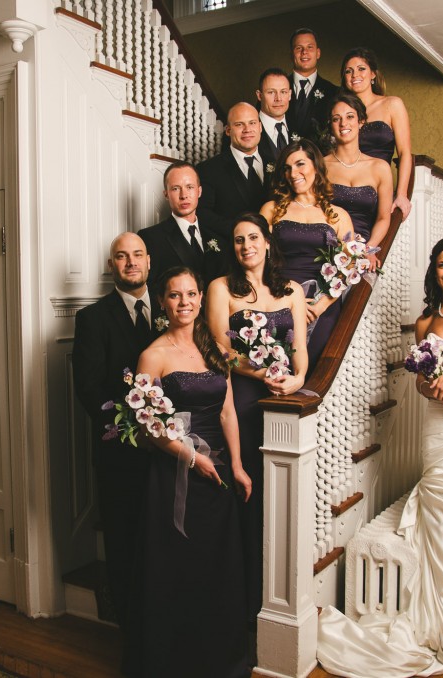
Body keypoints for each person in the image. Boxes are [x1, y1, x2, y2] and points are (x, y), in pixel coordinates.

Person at [317, 236, 443, 676]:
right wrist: (431, 385)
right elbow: (423, 383)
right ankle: (438, 619)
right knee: (442, 519)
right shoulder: (426, 323)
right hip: (437, 426)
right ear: (436, 270)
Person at [131, 266, 252, 678]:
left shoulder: (215, 349)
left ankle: (218, 659)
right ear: (163, 302)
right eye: (174, 295)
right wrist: (190, 456)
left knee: (216, 568)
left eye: (191, 294)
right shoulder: (153, 355)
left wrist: (235, 465)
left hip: (217, 473)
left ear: (201, 298)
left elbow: (227, 410)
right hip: (175, 477)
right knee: (180, 569)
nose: (184, 302)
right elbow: (149, 427)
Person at [206, 212, 308, 629]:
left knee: (281, 498)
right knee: (247, 491)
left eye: (252, 238)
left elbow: (299, 347)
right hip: (243, 399)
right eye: (237, 240)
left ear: (267, 243)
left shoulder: (292, 290)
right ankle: (244, 602)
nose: (245, 246)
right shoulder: (220, 289)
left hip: (284, 397)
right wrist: (259, 370)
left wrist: (298, 377)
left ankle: (277, 595)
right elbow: (218, 349)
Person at [71, 231, 160, 676]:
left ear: (149, 260)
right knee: (124, 547)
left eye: (138, 255)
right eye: (121, 257)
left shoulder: (171, 308)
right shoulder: (92, 319)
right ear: (112, 266)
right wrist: (135, 433)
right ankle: (131, 641)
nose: (131, 263)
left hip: (167, 456)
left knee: (160, 543)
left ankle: (161, 628)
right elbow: (89, 391)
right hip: (120, 456)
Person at [260, 139, 353, 372]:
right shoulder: (271, 210)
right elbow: (258, 263)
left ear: (316, 166)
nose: (294, 173)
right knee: (277, 367)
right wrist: (290, 300)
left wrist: (320, 306)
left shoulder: (338, 215)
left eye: (300, 164)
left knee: (317, 370)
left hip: (322, 306)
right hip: (279, 298)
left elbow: (349, 268)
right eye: (287, 168)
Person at [340, 47, 413, 219]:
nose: (355, 75)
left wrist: (402, 194)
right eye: (348, 71)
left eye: (361, 69)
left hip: (377, 189)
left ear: (373, 74)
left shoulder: (392, 104)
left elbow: (404, 153)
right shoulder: (342, 113)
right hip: (345, 188)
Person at [138, 161, 230, 295]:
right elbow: (149, 289)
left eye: (190, 187)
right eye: (176, 188)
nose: (184, 195)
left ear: (199, 191)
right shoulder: (150, 237)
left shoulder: (217, 236)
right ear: (166, 194)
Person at [324, 92, 393, 270]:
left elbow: (384, 217)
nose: (343, 124)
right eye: (336, 119)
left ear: (361, 121)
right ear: (331, 125)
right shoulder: (320, 167)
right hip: (328, 250)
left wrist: (369, 249)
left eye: (350, 117)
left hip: (365, 250)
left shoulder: (380, 167)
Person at [198, 102, 274, 221]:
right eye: (239, 124)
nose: (247, 130)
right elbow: (204, 215)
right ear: (228, 130)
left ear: (260, 127)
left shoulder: (278, 164)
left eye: (252, 123)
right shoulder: (208, 170)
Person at [287, 28, 340, 141]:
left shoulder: (334, 92)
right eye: (298, 48)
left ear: (318, 53)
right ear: (292, 54)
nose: (304, 52)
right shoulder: (275, 88)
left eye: (309, 47)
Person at [256, 68, 294, 167]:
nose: (278, 99)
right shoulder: (248, 130)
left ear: (289, 95)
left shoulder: (298, 126)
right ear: (259, 96)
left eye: (283, 92)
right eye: (271, 92)